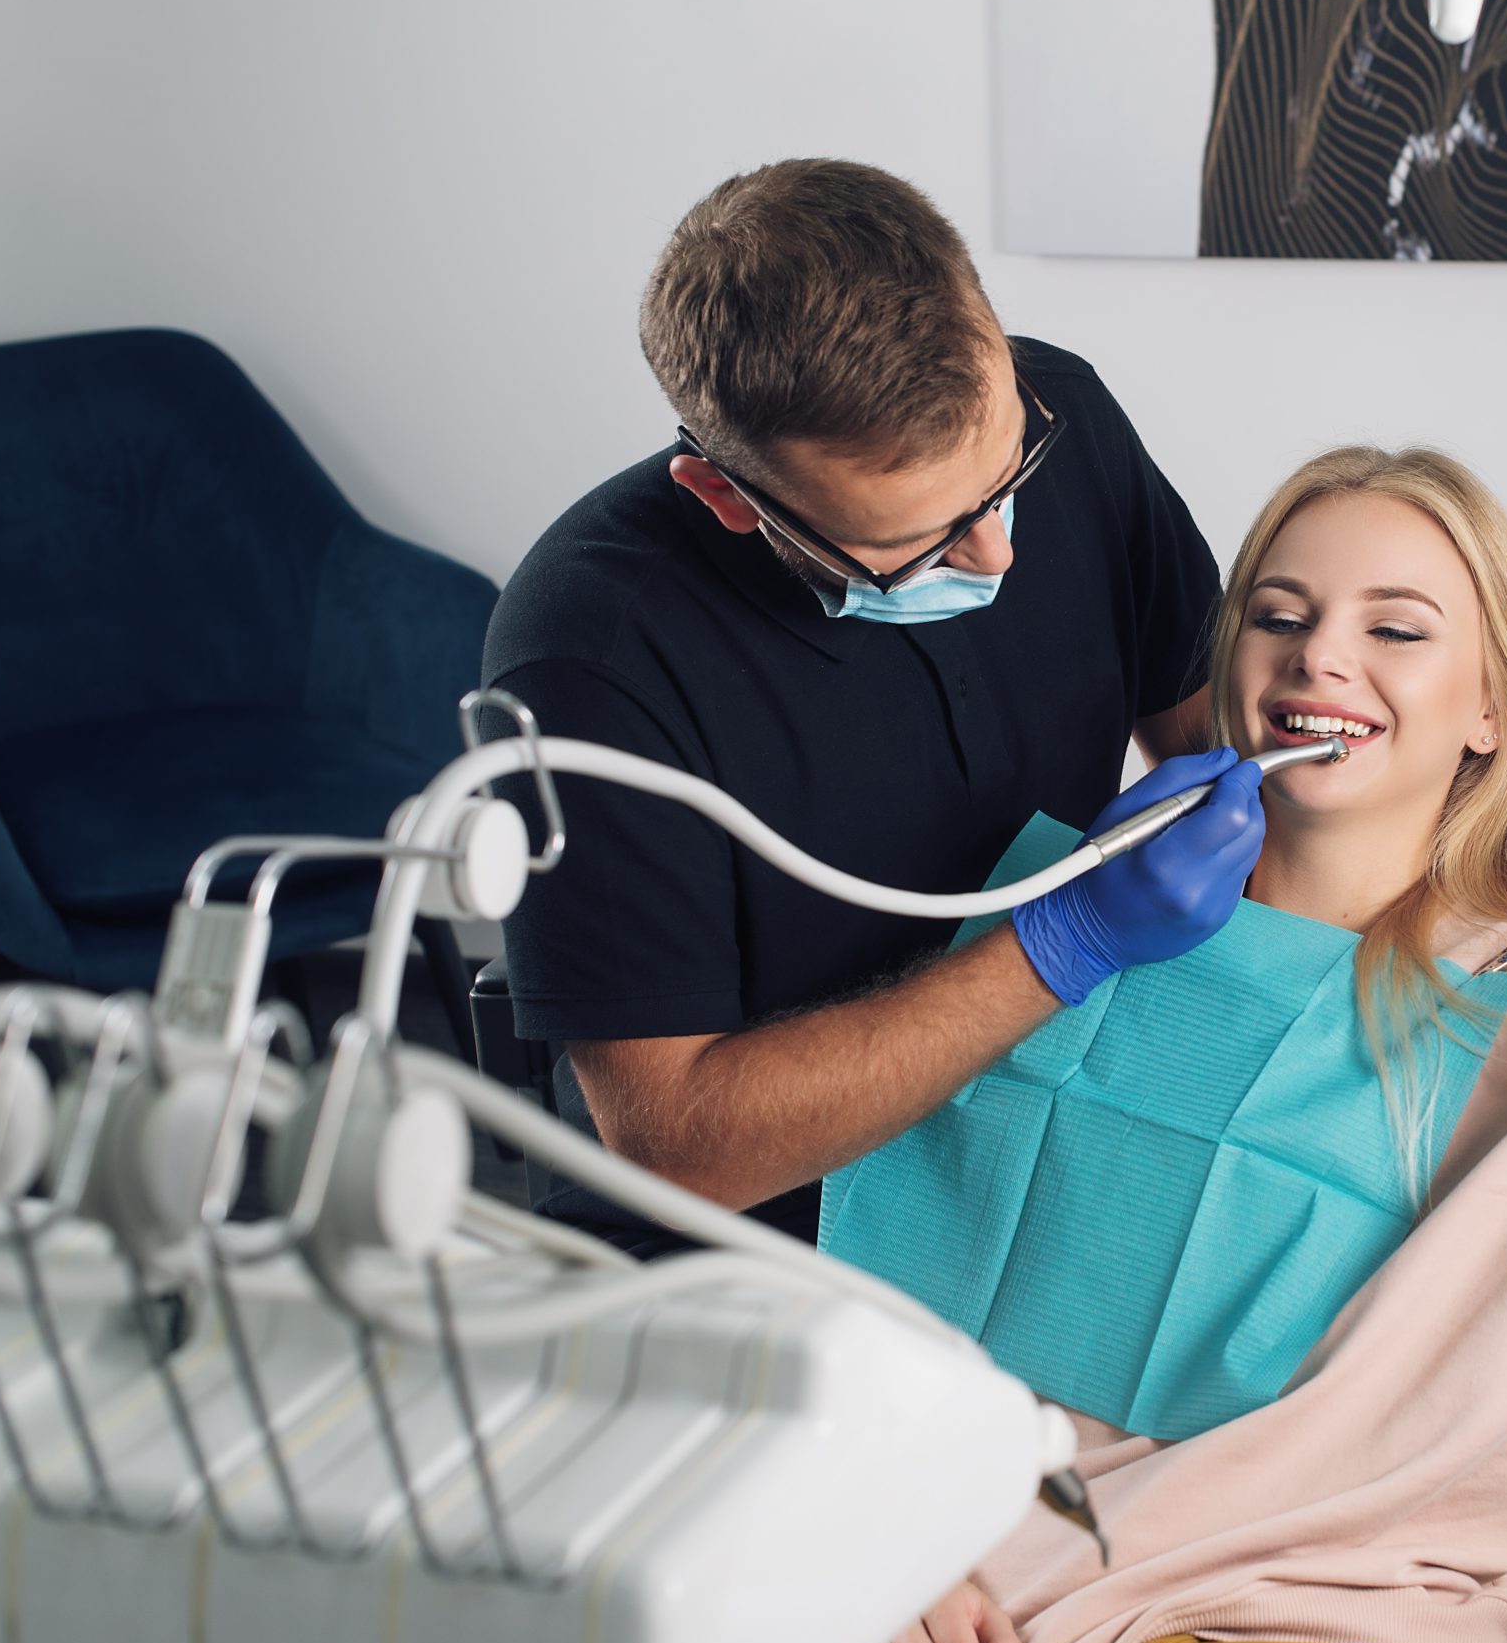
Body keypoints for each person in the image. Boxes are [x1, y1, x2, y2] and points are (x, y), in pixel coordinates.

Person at [838, 447, 1507, 1643]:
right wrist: (873, 1522)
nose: (1319, 655)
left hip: (1332, 1606)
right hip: (954, 1580)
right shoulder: (1066, 918)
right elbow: (871, 1303)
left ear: (1492, 707)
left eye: (1397, 627)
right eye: (1280, 615)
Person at [481, 159, 1266, 1251]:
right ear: (727, 495)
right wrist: (1062, 941)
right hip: (783, 1239)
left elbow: (1219, 747)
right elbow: (675, 1145)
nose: (997, 551)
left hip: (1050, 1132)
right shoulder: (591, 651)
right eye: (917, 546)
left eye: (1008, 479)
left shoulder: (1065, 406)